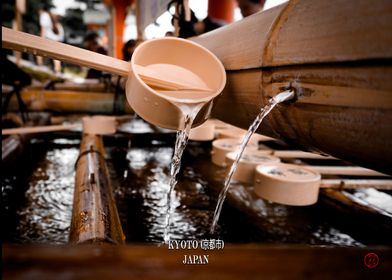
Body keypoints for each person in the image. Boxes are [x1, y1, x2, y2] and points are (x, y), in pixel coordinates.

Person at [38, 4, 64, 73]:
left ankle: (39, 67)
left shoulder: (44, 15)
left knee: (38, 50)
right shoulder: (52, 18)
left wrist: (41, 40)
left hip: (48, 38)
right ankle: (57, 71)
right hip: (56, 38)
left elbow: (43, 29)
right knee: (56, 57)